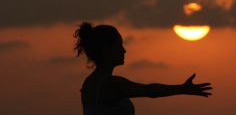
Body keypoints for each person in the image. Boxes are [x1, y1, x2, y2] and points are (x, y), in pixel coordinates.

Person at [74, 22, 212, 115]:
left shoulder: (88, 83)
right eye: (119, 45)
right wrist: (183, 89)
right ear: (106, 49)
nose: (124, 50)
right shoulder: (111, 83)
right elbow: (150, 91)